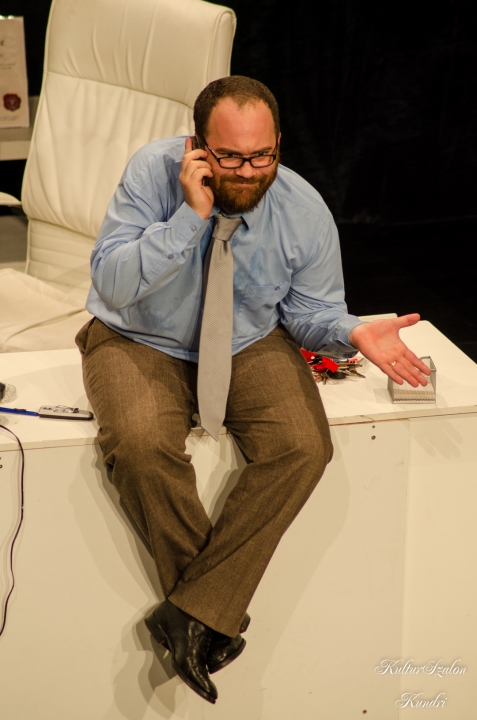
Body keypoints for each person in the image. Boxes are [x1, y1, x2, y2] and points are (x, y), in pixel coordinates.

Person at [76, 76, 430, 704]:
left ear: (278, 145)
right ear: (196, 146)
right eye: (230, 156)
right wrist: (189, 218)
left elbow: (310, 311)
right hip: (138, 337)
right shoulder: (151, 173)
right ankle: (214, 615)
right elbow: (112, 282)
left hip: (246, 338)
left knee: (303, 444)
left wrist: (351, 330)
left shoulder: (303, 209)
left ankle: (188, 614)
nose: (247, 171)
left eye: (262, 156)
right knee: (140, 444)